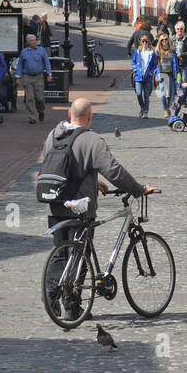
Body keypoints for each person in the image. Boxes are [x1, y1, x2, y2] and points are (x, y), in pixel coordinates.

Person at [42, 98, 157, 313]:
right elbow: (114, 171)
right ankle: (73, 306)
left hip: (55, 202)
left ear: (69, 114)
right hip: (81, 206)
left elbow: (61, 168)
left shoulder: (53, 135)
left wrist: (94, 181)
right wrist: (138, 189)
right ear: (89, 117)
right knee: (80, 255)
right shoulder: (91, 140)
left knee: (60, 252)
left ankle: (51, 295)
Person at [15, 33, 52, 124]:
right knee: (29, 98)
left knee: (39, 98)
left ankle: (41, 110)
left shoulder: (41, 50)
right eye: (31, 41)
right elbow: (20, 65)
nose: (33, 42)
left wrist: (49, 74)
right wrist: (18, 77)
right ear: (28, 42)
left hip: (39, 76)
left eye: (34, 40)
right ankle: (32, 117)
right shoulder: (24, 52)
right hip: (27, 77)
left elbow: (47, 62)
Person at [131, 35, 159, 118]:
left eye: (146, 41)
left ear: (148, 43)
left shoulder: (152, 52)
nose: (144, 43)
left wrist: (151, 72)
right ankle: (142, 107)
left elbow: (155, 64)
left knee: (146, 95)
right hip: (138, 76)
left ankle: (146, 111)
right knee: (139, 94)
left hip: (148, 77)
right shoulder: (138, 51)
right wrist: (135, 69)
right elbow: (133, 62)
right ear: (141, 42)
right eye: (143, 41)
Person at [155, 33, 176, 115]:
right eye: (162, 40)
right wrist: (157, 74)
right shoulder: (157, 51)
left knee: (171, 93)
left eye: (166, 39)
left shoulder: (172, 50)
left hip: (170, 73)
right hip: (162, 74)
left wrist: (177, 72)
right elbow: (154, 64)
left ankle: (168, 107)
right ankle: (165, 110)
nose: (164, 41)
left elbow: (175, 63)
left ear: (168, 40)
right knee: (163, 93)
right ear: (160, 41)